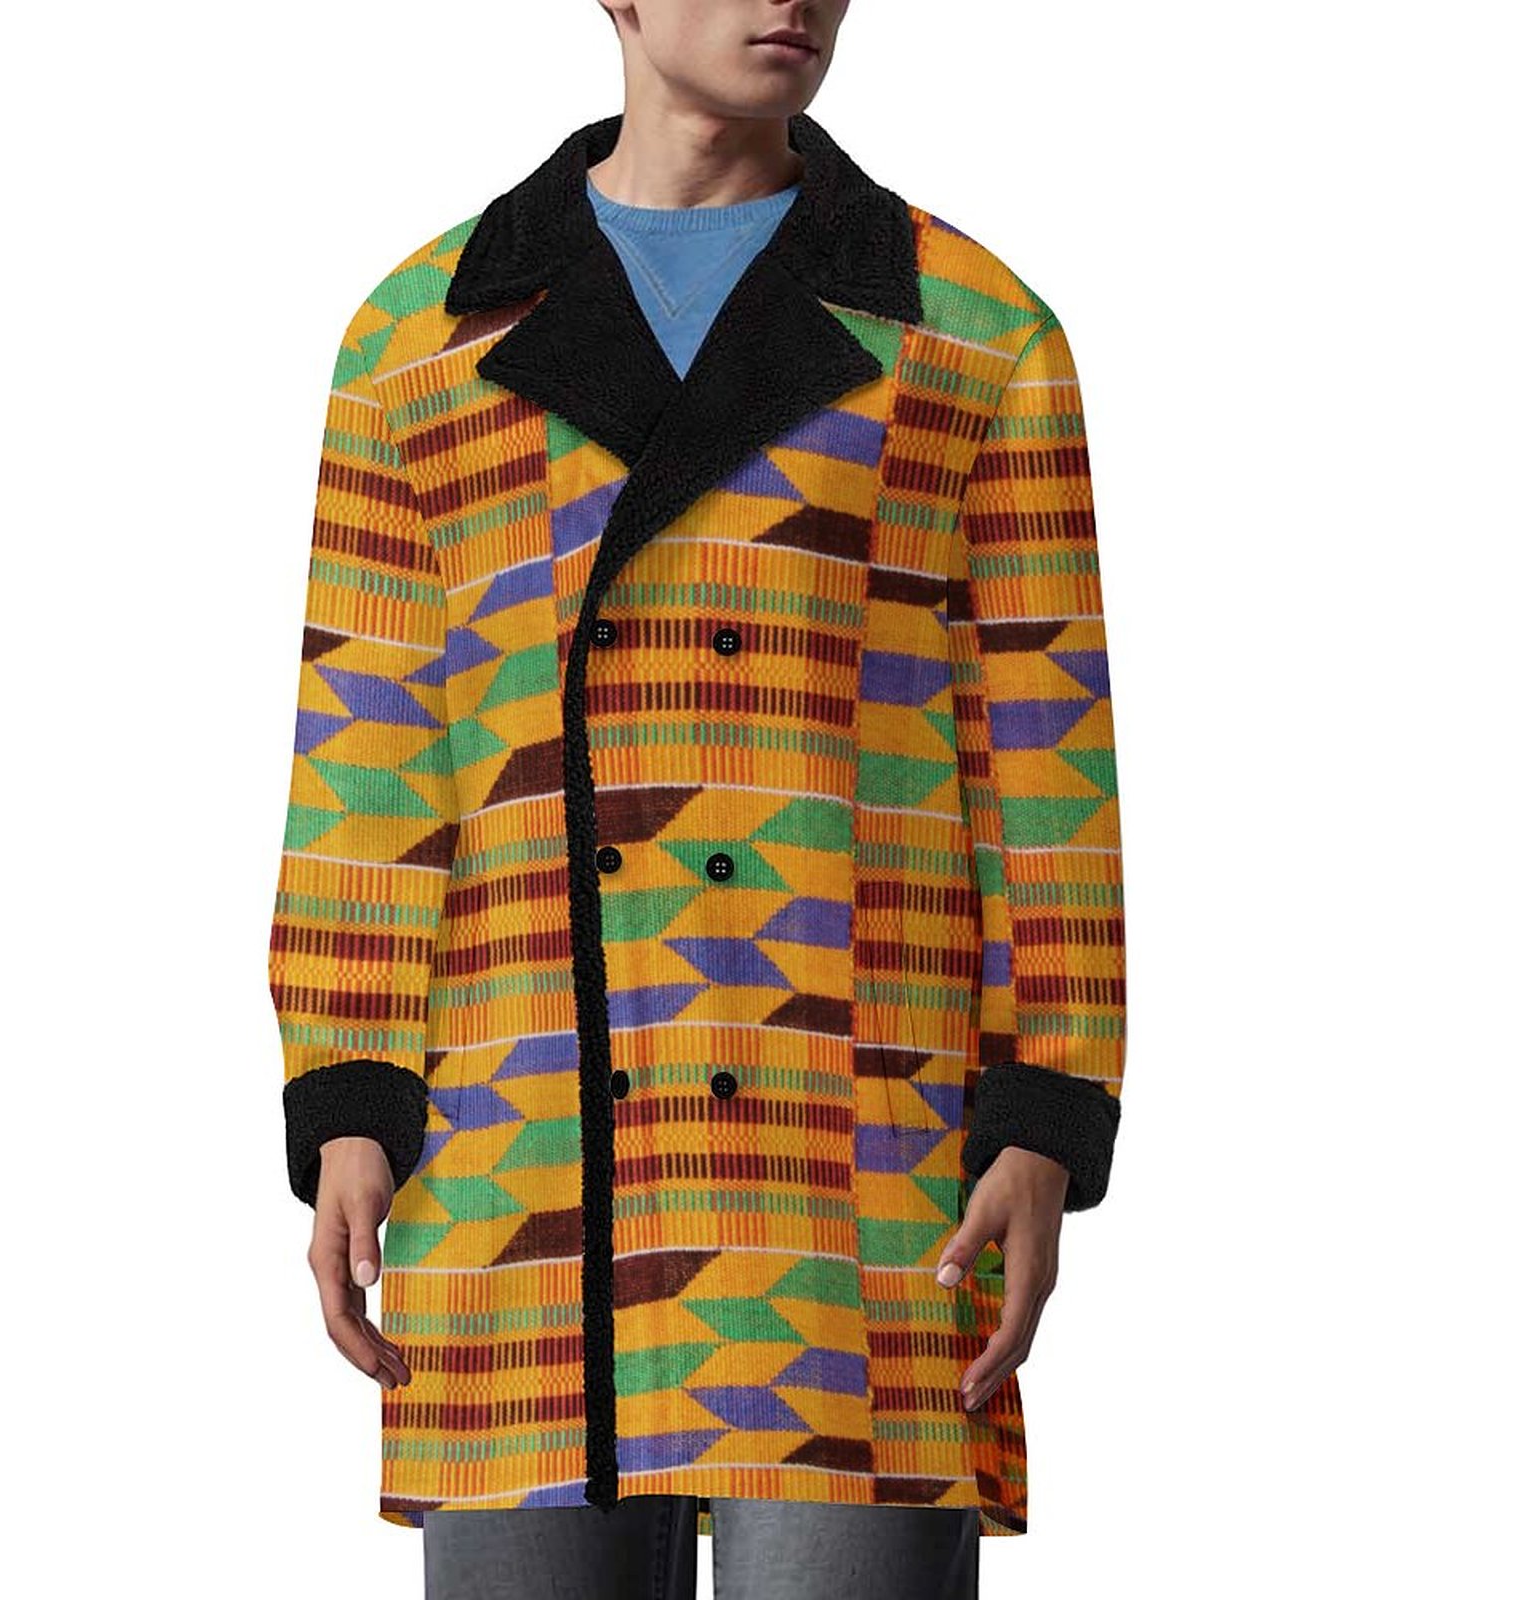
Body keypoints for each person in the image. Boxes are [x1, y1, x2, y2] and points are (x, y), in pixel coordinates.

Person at [266, 2, 1128, 1596]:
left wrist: (1044, 1114)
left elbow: (1044, 757)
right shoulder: (420, 340)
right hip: (520, 1146)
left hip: (862, 1141)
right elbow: (368, 756)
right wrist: (350, 1095)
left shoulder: (971, 332)